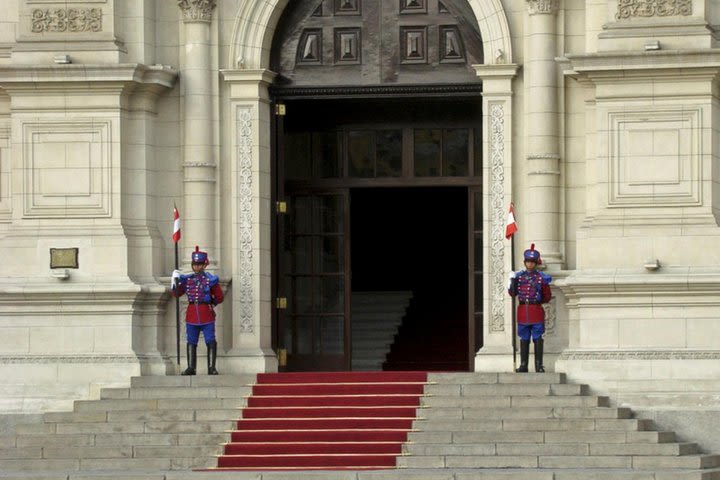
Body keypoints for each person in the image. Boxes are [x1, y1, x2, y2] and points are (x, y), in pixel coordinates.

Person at [172, 246, 224, 375]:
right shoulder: (187, 279)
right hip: (191, 314)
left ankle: (211, 367)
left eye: (199, 264)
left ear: (205, 265)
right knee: (191, 341)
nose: (197, 267)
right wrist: (174, 282)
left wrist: (212, 302)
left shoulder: (210, 280)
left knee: (210, 340)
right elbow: (177, 294)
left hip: (206, 313)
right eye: (195, 264)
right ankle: (191, 367)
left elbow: (220, 297)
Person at [508, 244, 552, 372]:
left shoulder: (541, 278)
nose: (530, 264)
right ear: (525, 262)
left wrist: (536, 302)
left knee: (537, 337)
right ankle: (523, 365)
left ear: (536, 263)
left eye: (532, 262)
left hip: (536, 310)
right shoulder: (519, 277)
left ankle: (539, 365)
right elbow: (512, 293)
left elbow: (547, 296)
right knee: (524, 338)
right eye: (528, 262)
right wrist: (512, 282)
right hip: (523, 310)